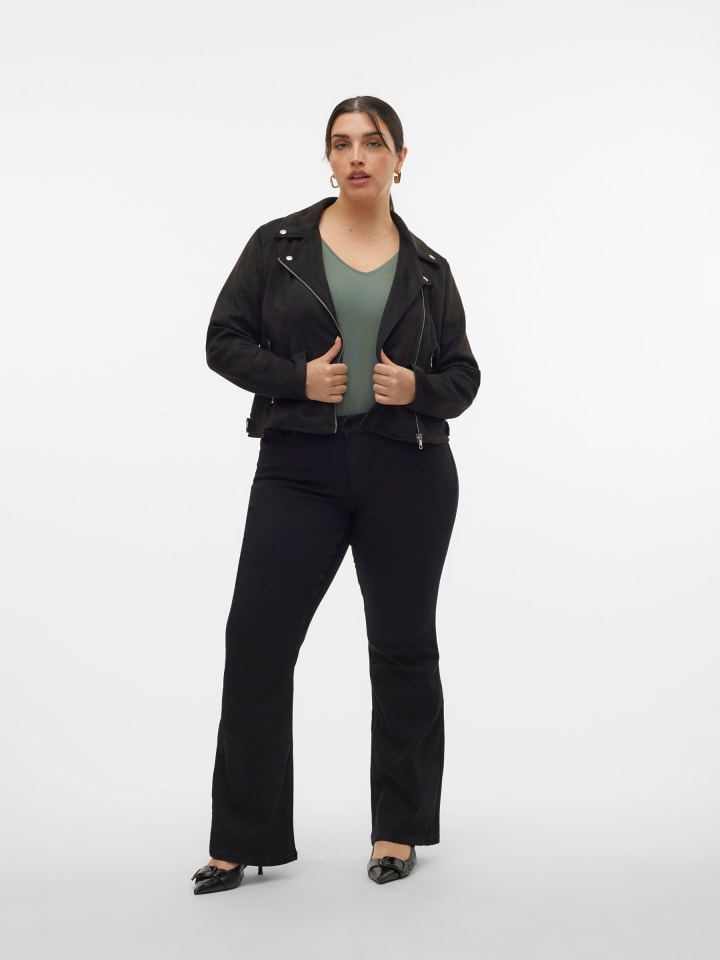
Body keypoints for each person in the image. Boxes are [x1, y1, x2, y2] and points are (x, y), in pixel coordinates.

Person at [191, 95, 480, 895]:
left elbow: (463, 377)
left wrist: (416, 387)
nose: (357, 156)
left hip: (408, 470)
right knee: (257, 642)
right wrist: (297, 379)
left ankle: (398, 829)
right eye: (342, 143)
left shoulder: (430, 270)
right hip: (298, 468)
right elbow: (223, 339)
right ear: (328, 159)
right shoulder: (277, 246)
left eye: (373, 143)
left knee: (403, 647)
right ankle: (239, 839)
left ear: (399, 160)